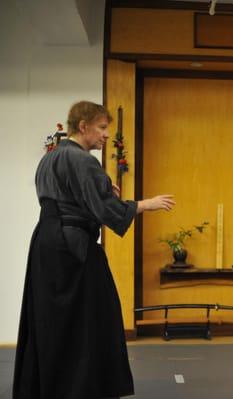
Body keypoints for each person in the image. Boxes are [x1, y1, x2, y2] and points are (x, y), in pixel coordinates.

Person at [12, 101, 176, 399]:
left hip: (47, 243)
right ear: (83, 126)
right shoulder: (83, 160)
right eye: (101, 128)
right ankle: (81, 386)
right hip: (72, 245)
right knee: (92, 315)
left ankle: (53, 385)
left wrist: (100, 191)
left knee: (54, 318)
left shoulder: (50, 158)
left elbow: (70, 198)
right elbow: (104, 208)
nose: (106, 135)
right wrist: (144, 204)